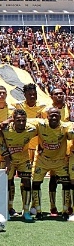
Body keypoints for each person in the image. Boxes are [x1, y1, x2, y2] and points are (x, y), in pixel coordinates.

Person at [31, 107, 74, 220]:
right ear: (47, 116)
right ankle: (39, 211)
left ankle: (65, 210)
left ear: (60, 117)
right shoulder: (40, 124)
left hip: (59, 161)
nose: (54, 117)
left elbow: (71, 131)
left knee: (66, 184)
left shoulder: (65, 127)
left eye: (56, 115)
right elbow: (24, 121)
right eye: (52, 115)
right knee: (35, 183)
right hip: (43, 160)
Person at [12, 83, 47, 217]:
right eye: (30, 94)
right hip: (23, 148)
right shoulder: (18, 106)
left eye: (34, 94)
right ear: (24, 95)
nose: (32, 96)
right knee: (23, 179)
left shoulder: (43, 108)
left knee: (35, 180)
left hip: (38, 147)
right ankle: (23, 206)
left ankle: (35, 206)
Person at [1, 109, 37, 221]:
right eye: (18, 120)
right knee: (7, 183)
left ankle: (26, 211)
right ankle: (7, 209)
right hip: (9, 160)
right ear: (13, 120)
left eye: (23, 120)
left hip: (23, 159)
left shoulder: (32, 129)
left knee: (26, 182)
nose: (21, 123)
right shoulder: (5, 129)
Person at [40, 88, 72, 216]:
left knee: (68, 178)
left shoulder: (68, 107)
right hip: (51, 149)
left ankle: (68, 206)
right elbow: (41, 128)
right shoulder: (45, 110)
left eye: (61, 93)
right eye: (56, 94)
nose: (59, 95)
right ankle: (53, 207)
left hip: (66, 147)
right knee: (53, 178)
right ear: (51, 96)